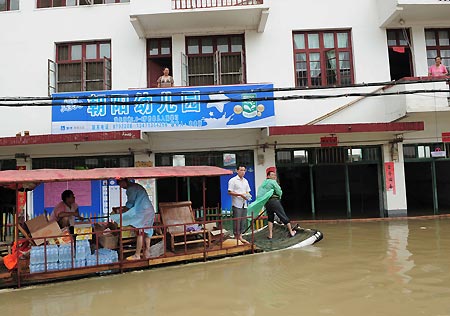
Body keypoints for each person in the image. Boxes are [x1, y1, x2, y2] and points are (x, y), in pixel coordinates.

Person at [110, 179, 155, 260]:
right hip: (150, 210)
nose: (121, 187)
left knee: (140, 232)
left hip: (143, 211)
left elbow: (130, 204)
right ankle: (147, 252)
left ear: (124, 181)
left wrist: (120, 212)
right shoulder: (137, 186)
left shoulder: (131, 189)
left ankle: (137, 255)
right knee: (148, 231)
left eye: (121, 185)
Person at [256, 167, 296, 239]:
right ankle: (291, 231)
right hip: (274, 201)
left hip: (267, 203)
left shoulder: (263, 183)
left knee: (270, 217)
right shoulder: (273, 182)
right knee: (282, 215)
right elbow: (279, 191)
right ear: (268, 176)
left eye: (274, 175)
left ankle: (270, 235)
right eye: (272, 175)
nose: (274, 176)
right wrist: (279, 197)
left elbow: (260, 194)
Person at [228, 165, 251, 244]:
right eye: (241, 170)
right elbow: (230, 192)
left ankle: (240, 235)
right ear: (237, 171)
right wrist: (240, 195)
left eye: (244, 170)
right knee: (237, 220)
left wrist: (247, 196)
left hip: (244, 203)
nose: (242, 172)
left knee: (243, 220)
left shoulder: (245, 181)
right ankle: (236, 236)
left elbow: (248, 191)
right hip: (237, 203)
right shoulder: (233, 180)